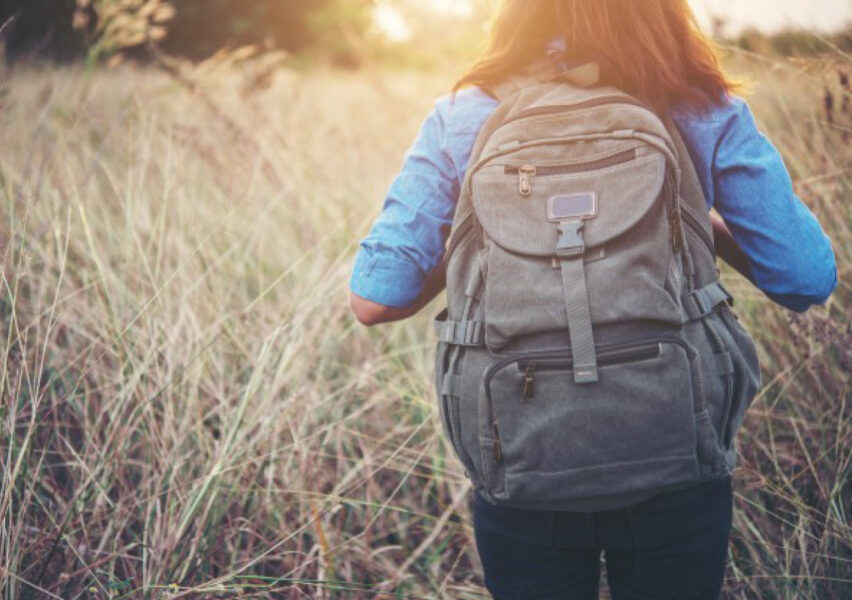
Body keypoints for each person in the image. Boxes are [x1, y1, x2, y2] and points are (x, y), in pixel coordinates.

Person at [347, 1, 838, 598]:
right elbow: (806, 277)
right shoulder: (701, 106)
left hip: (523, 454)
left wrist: (484, 230)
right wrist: (690, 217)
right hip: (674, 446)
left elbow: (375, 299)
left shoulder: (464, 114)